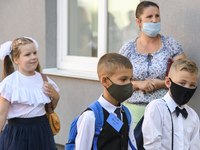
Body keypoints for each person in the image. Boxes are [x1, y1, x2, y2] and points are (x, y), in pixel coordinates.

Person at [119, 1, 186, 127]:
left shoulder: (172, 45)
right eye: (149, 17)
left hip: (164, 110)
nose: (154, 20)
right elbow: (117, 82)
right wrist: (138, 84)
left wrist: (161, 83)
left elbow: (185, 76)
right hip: (133, 111)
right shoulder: (127, 50)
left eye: (157, 16)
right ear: (138, 22)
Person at [0, 37, 60, 150]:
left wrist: (56, 96)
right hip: (17, 134)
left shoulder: (43, 79)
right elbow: (1, 115)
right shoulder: (9, 83)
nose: (33, 57)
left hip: (42, 131)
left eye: (35, 53)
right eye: (27, 54)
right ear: (16, 59)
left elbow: (49, 109)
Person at [75, 53, 137, 150]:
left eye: (130, 79)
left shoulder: (127, 114)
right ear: (104, 81)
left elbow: (131, 145)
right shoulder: (91, 117)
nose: (129, 84)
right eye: (123, 79)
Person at [142, 58, 200, 149]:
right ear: (168, 82)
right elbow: (152, 145)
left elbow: (195, 146)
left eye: (192, 85)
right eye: (182, 83)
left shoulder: (193, 116)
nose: (187, 88)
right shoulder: (156, 107)